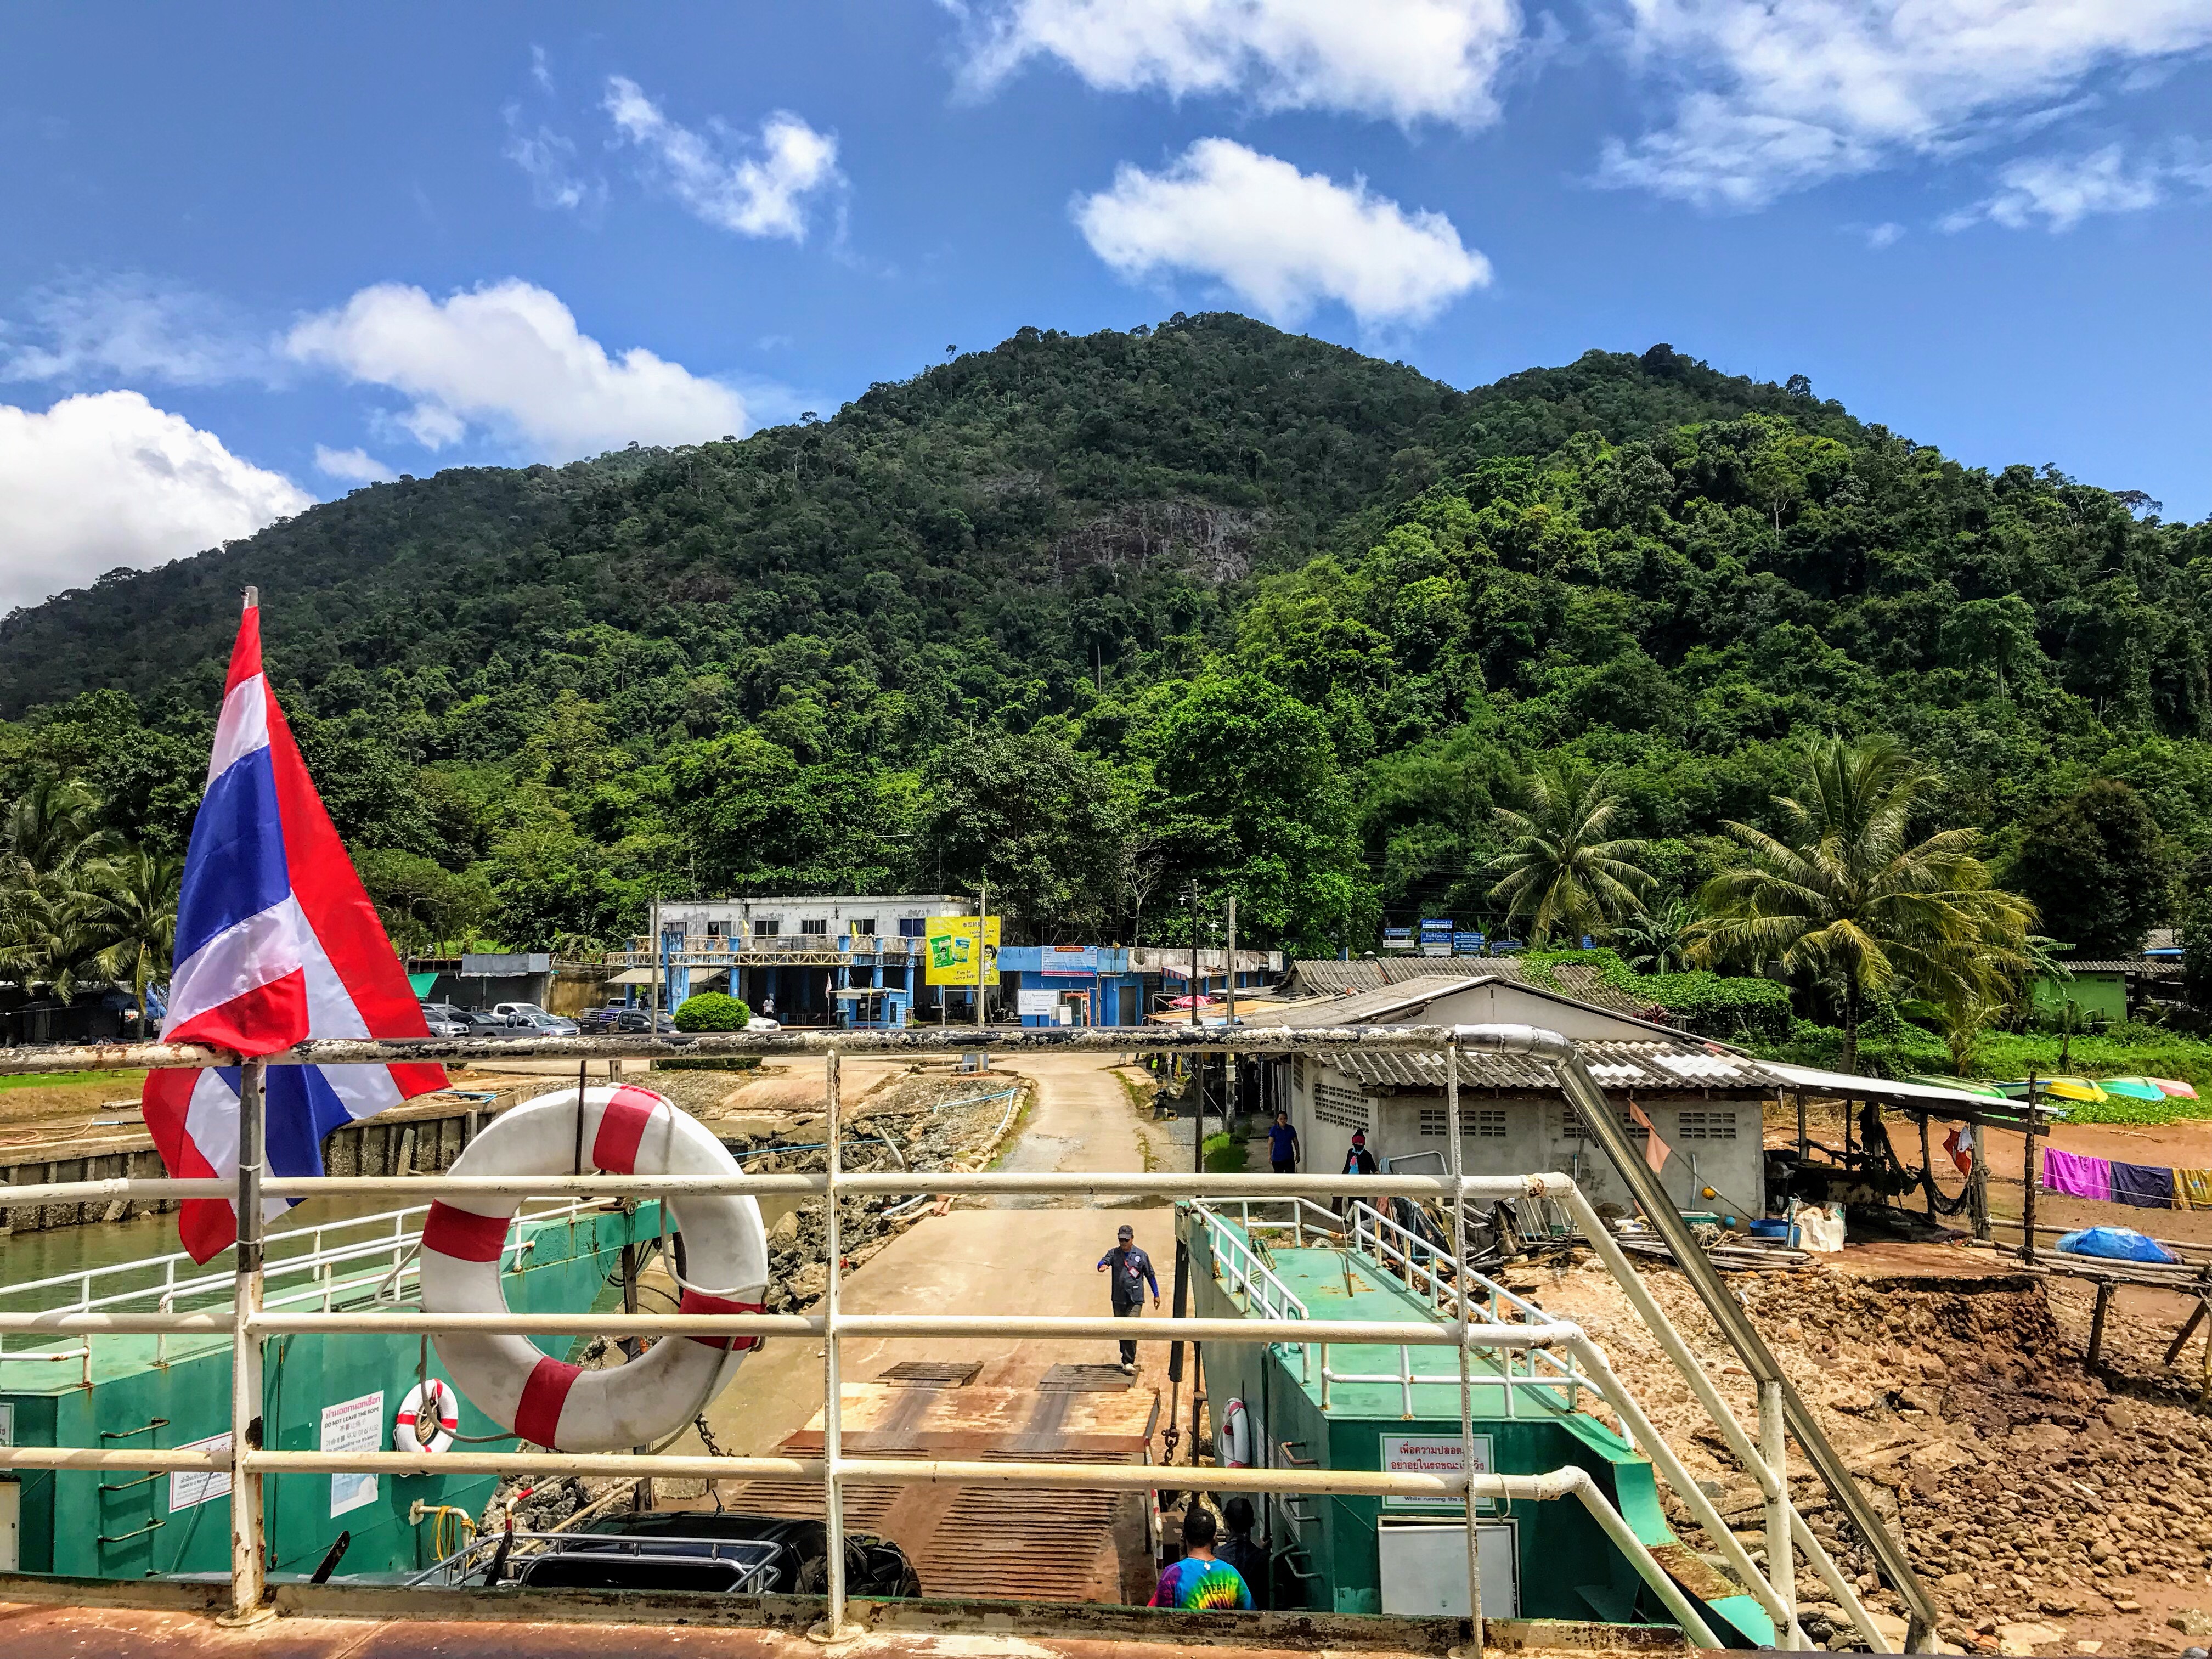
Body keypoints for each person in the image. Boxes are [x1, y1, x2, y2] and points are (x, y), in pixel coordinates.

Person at [1150, 1504, 1252, 1610]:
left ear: (1184, 1536)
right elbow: (1250, 1614)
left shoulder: (1173, 1575)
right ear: (1214, 1537)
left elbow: (1155, 1616)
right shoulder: (1231, 1574)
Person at [1096, 1223, 1160, 1373]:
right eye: (1121, 1240)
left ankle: (1129, 1361)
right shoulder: (1114, 1253)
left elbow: (1150, 1275)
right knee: (1121, 1329)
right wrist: (1102, 1266)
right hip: (1118, 1298)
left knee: (1131, 1327)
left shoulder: (1141, 1256)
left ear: (1132, 1238)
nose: (1124, 1243)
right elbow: (1102, 1261)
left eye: (1126, 1240)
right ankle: (1125, 1358)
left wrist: (1156, 1294)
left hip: (1135, 1298)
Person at [1215, 1496, 1267, 1599]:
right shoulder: (1265, 1559)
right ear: (1253, 1522)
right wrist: (1262, 1552)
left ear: (1226, 1523)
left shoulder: (1215, 1556)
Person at [1266, 1110, 1299, 1176]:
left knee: (1291, 1177)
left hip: (1289, 1157)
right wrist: (1269, 1155)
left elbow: (1296, 1142)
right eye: (1281, 1119)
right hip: (1277, 1158)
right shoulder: (1274, 1130)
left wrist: (1298, 1153)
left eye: (1284, 1119)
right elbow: (1270, 1143)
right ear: (1277, 1120)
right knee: (1279, 1178)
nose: (1283, 1121)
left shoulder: (1291, 1129)